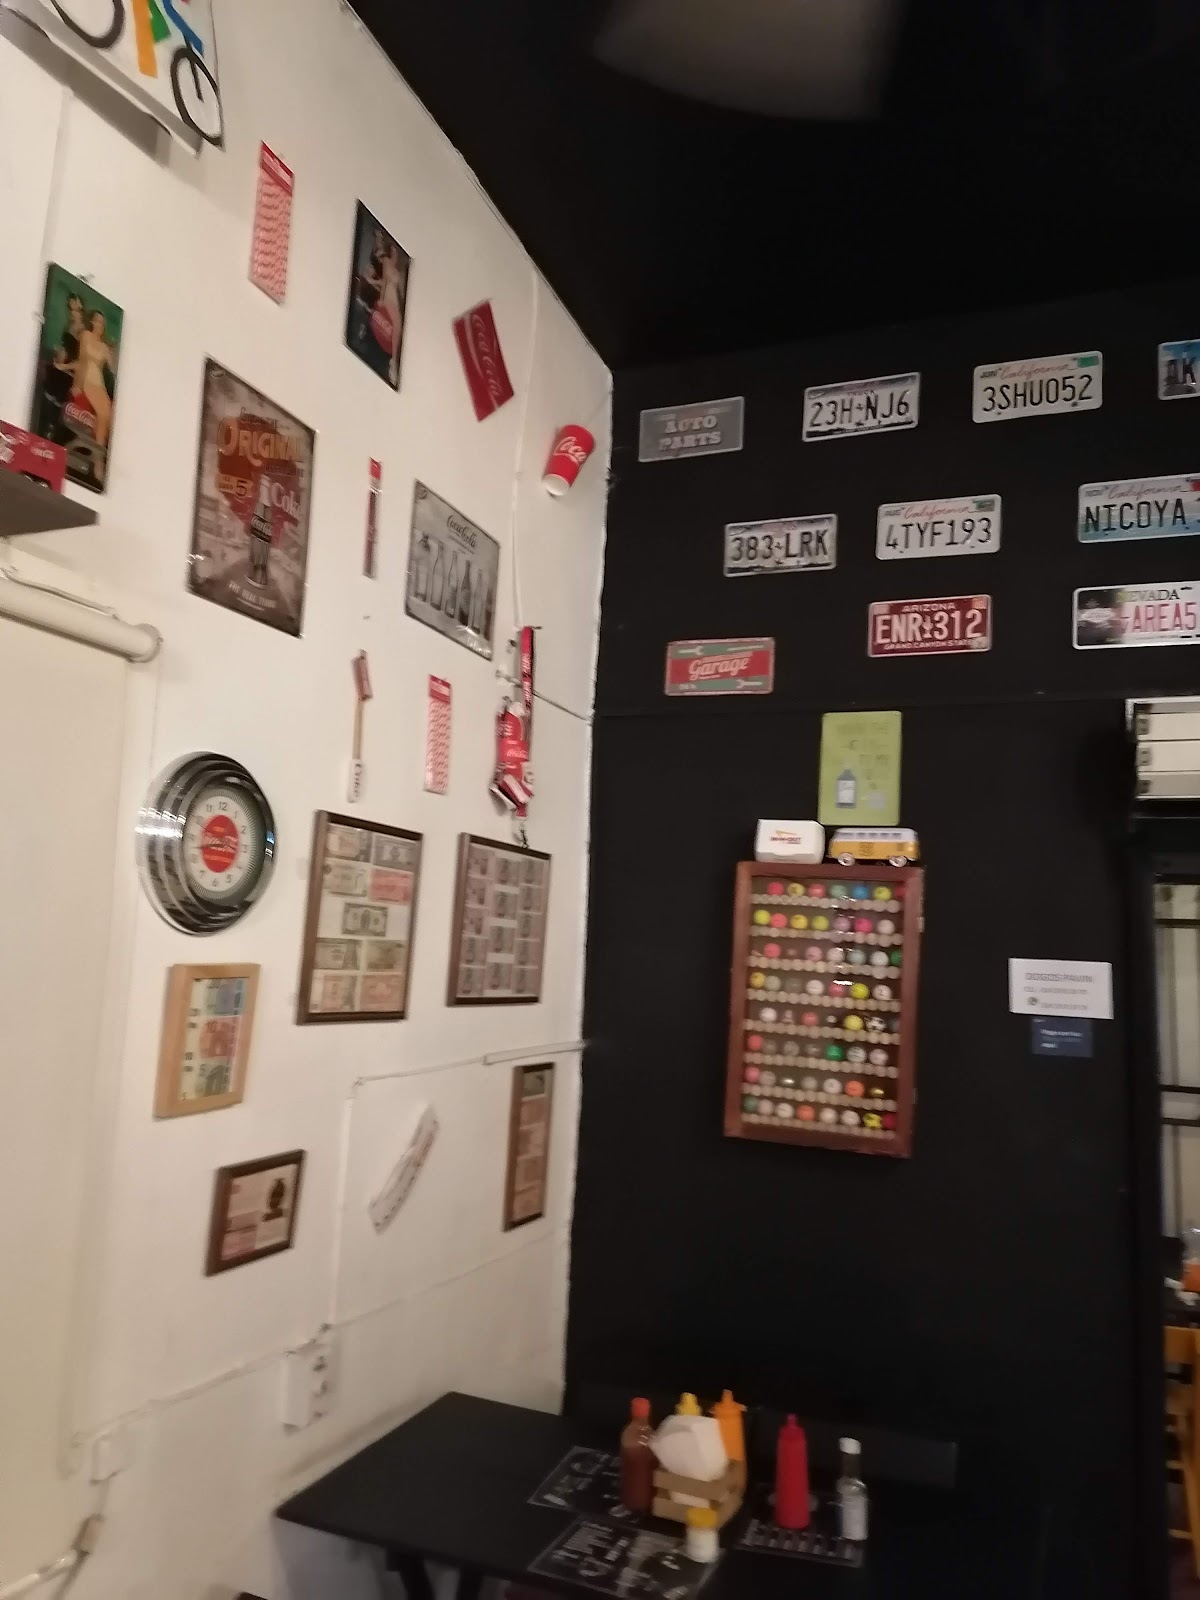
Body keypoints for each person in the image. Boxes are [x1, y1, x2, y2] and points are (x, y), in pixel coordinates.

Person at [71, 310, 117, 484]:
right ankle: (98, 463)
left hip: (100, 385)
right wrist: (76, 385)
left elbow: (112, 369)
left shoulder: (104, 347)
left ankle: (96, 457)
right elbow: (82, 361)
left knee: (106, 416)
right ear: (92, 321)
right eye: (97, 321)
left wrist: (112, 352)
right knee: (104, 414)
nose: (100, 325)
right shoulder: (86, 336)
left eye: (102, 322)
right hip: (87, 382)